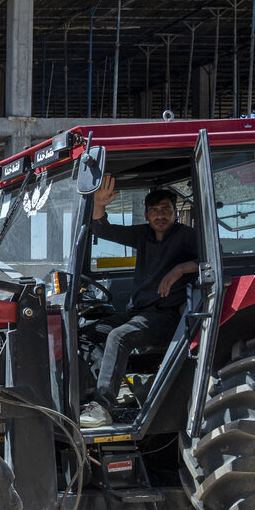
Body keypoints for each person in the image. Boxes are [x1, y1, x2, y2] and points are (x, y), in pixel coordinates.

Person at [80, 175, 199, 428]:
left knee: (119, 336)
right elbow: (102, 229)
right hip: (139, 314)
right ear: (146, 215)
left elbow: (215, 259)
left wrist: (179, 269)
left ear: (175, 213)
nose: (160, 216)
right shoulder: (142, 234)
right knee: (88, 333)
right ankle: (93, 395)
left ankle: (103, 405)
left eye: (165, 210)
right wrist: (99, 205)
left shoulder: (187, 237)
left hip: (167, 319)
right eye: (154, 211)